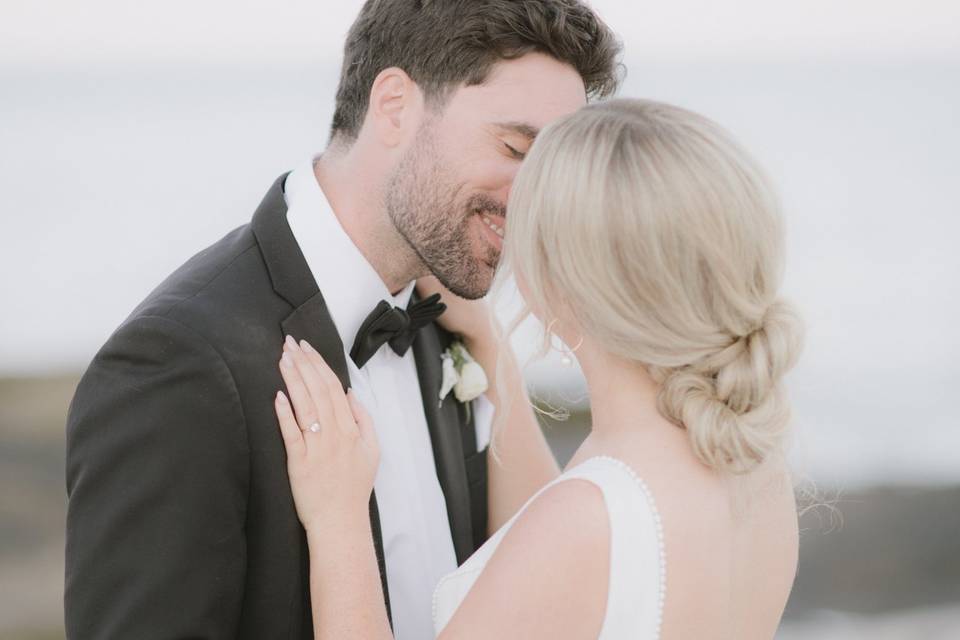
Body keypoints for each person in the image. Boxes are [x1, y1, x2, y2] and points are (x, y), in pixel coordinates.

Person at [63, 1, 621, 638]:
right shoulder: (179, 360)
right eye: (515, 147)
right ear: (394, 107)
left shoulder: (451, 325)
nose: (538, 198)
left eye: (551, 167)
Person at [273, 98, 805, 639]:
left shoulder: (584, 524)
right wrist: (489, 346)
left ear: (562, 278)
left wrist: (339, 522)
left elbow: (570, 549)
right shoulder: (756, 474)